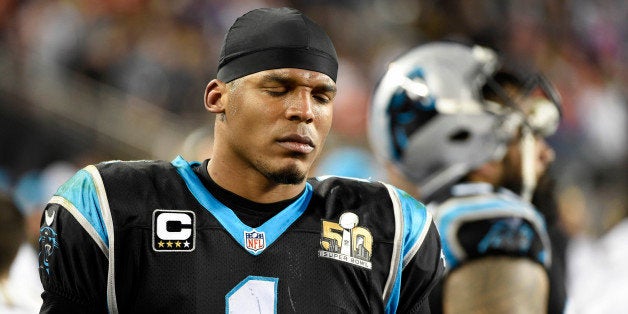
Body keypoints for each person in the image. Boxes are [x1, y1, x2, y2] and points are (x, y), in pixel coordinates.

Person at [38, 7, 444, 313]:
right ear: (218, 98)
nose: (304, 111)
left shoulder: (388, 229)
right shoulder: (114, 208)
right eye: (278, 88)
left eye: (322, 96)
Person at [368, 41, 565, 313]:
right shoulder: (487, 222)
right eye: (525, 134)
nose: (546, 154)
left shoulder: (420, 229)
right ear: (473, 142)